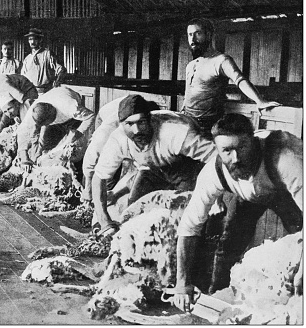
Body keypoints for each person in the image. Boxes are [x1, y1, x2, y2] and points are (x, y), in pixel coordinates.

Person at [174, 113, 303, 313]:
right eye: (227, 151)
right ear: (217, 150)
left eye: (242, 147)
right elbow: (189, 227)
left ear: (254, 142)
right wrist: (182, 284)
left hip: (285, 193)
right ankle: (219, 301)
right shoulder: (212, 172)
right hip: (249, 196)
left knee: (298, 254)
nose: (235, 158)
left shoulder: (286, 159)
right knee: (229, 245)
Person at [92, 94, 217, 238]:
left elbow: (216, 158)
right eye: (130, 124)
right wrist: (104, 222)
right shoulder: (118, 139)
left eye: (142, 122)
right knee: (133, 211)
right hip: (151, 169)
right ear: (121, 124)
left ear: (150, 120)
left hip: (186, 166)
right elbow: (99, 178)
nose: (137, 130)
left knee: (184, 217)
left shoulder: (176, 132)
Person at [182, 18, 281, 137]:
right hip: (187, 123)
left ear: (208, 35)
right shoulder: (190, 65)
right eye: (190, 35)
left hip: (208, 127)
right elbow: (189, 93)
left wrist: (259, 100)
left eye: (198, 33)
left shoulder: (221, 61)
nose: (192, 40)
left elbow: (240, 79)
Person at [16, 86, 95, 173]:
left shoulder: (70, 107)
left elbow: (90, 116)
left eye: (46, 124)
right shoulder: (34, 111)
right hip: (53, 103)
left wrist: (78, 133)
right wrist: (24, 159)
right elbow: (23, 133)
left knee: (73, 150)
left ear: (52, 115)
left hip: (70, 110)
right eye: (44, 125)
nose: (45, 125)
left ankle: (76, 173)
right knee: (48, 146)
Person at [21, 28, 66, 95]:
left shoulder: (47, 54)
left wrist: (58, 81)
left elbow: (61, 70)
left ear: (40, 40)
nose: (32, 42)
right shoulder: (27, 59)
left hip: (45, 92)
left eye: (35, 39)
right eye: (30, 39)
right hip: (30, 93)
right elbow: (22, 77)